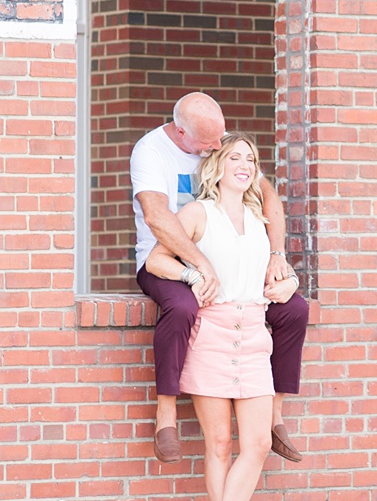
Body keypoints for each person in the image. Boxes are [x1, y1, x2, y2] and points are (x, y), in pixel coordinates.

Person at [144, 133, 297, 501]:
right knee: (219, 445)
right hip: (211, 333)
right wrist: (192, 274)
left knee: (258, 444)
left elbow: (282, 278)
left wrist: (286, 285)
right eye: (235, 157)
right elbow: (157, 262)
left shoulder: (260, 219)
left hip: (252, 335)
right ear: (218, 166)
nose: (244, 164)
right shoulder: (196, 213)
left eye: (250, 158)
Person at [131, 94, 310, 462]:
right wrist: (198, 265)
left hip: (228, 259)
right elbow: (156, 216)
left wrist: (276, 257)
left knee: (293, 311)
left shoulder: (220, 141)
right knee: (182, 307)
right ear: (181, 131)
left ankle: (274, 415)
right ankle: (166, 411)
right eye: (208, 143)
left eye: (219, 139)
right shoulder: (151, 151)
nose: (216, 146)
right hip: (167, 260)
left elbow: (268, 200)